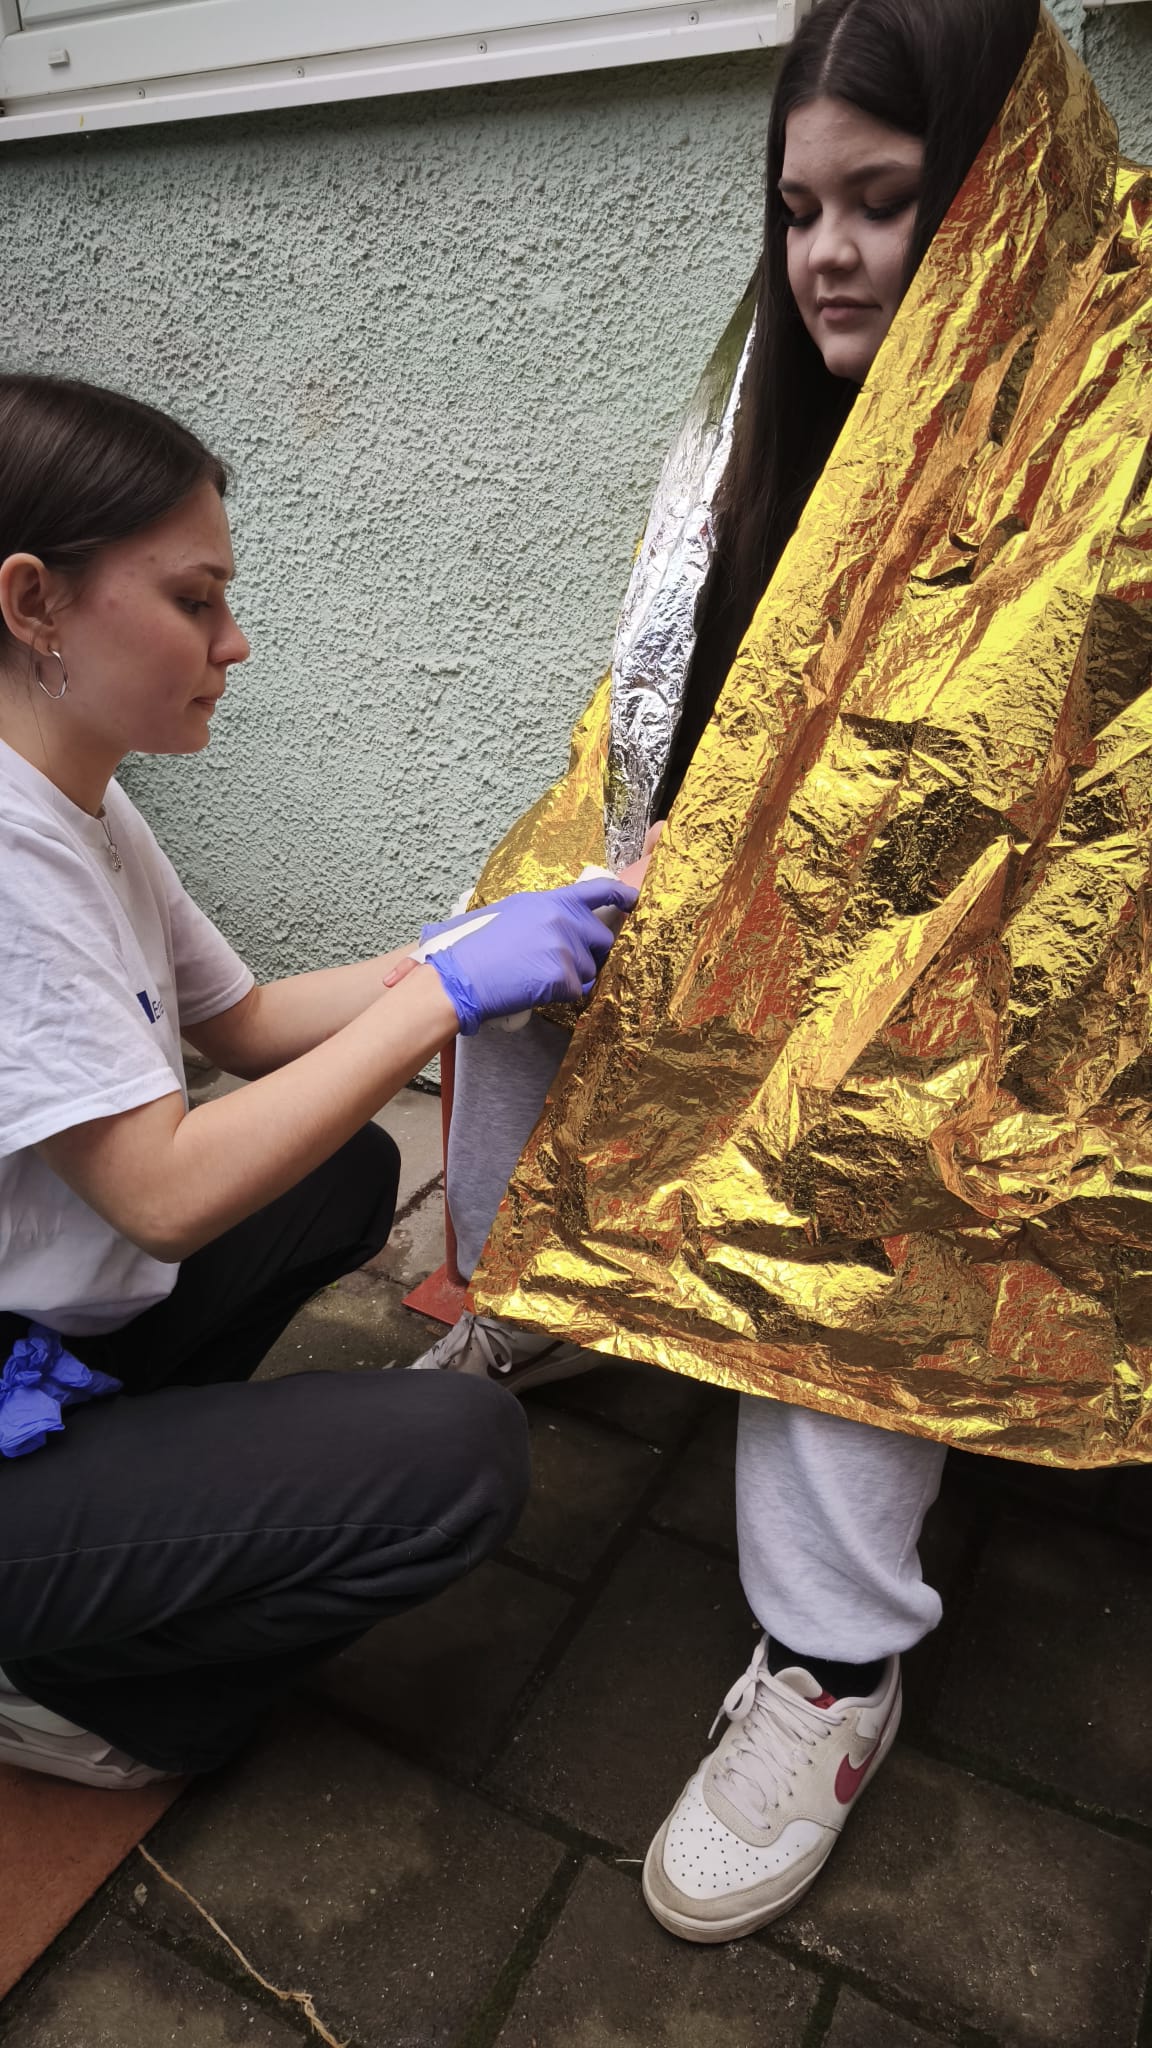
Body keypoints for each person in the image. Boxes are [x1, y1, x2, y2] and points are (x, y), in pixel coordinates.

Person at [411, 0, 1051, 1941]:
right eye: (797, 208)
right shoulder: (765, 401)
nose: (827, 254)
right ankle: (540, 1297)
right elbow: (668, 699)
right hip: (756, 890)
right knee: (518, 940)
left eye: (884, 200)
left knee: (850, 1132)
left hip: (984, 973)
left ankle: (836, 1662)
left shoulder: (1088, 425)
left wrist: (784, 933)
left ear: (995, 191)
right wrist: (619, 882)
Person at [0, 372, 637, 1791]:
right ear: (35, 603)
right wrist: (444, 1000)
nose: (233, 642)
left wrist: (477, 940)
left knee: (342, 1168)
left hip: (35, 1327)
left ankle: (123, 1512)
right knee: (457, 1458)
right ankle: (80, 1692)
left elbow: (248, 1023)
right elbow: (162, 1198)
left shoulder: (79, 795)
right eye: (194, 601)